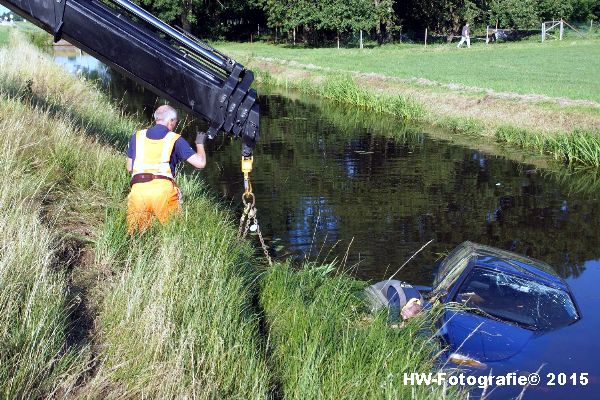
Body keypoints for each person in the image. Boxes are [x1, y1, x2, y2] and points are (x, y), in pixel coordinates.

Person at [126, 105, 207, 233]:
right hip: (163, 191)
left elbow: (130, 167)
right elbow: (200, 163)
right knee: (174, 234)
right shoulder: (175, 139)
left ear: (156, 119)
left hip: (138, 191)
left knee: (136, 235)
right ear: (171, 121)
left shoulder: (137, 136)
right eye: (175, 122)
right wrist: (199, 144)